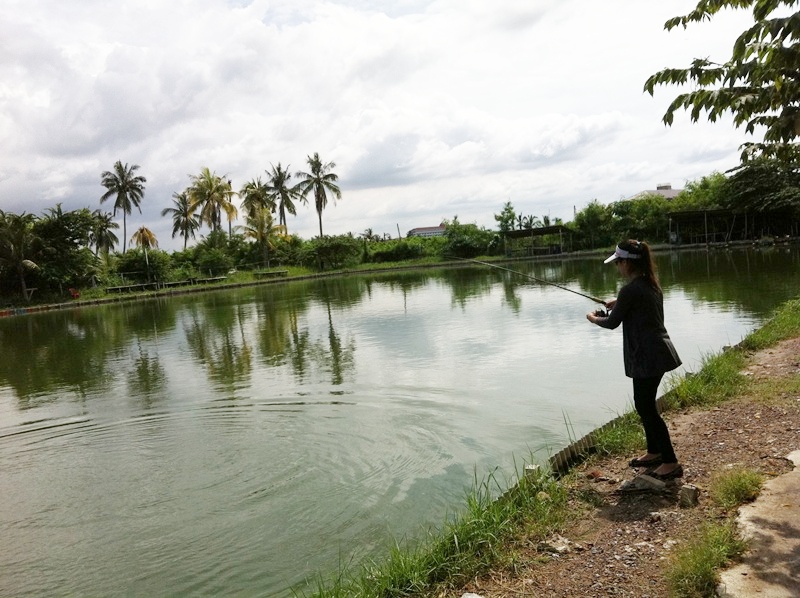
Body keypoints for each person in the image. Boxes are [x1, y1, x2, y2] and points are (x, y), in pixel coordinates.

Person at [586, 240, 683, 480]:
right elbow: (636, 306)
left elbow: (611, 323)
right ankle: (654, 452)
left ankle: (670, 462)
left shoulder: (631, 290)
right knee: (644, 404)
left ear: (627, 262)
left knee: (647, 407)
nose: (617, 267)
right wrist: (618, 303)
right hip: (657, 352)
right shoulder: (649, 284)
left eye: (618, 262)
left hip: (647, 356)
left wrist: (592, 318)